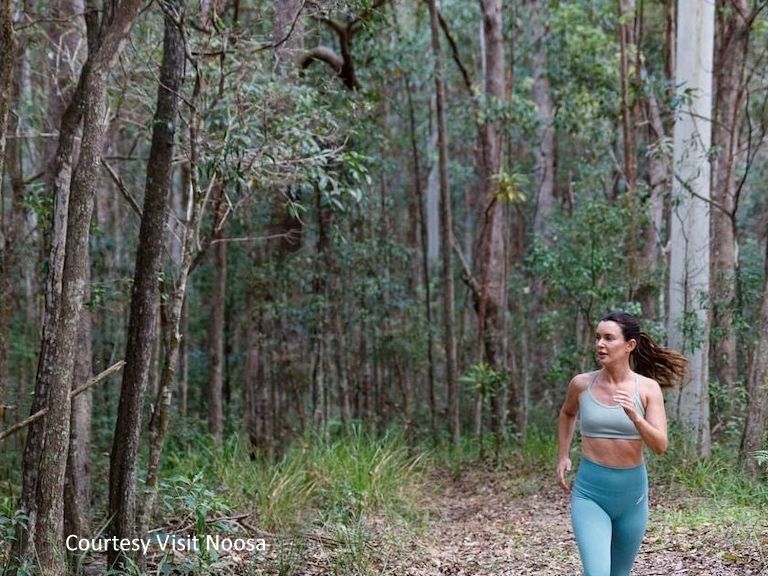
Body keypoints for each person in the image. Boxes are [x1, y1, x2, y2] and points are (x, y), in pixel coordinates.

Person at [556, 311, 687, 576]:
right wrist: (563, 455)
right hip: (590, 494)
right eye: (597, 338)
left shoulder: (648, 389)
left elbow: (660, 446)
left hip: (632, 497)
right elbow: (567, 413)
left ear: (629, 345)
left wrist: (635, 417)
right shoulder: (582, 384)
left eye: (608, 338)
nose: (599, 344)